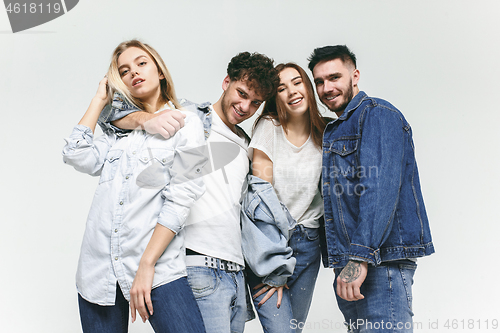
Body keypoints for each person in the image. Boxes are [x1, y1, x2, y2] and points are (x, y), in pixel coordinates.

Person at [98, 52, 280, 333]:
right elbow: (112, 113)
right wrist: (145, 120)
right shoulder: (189, 117)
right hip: (198, 268)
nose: (245, 106)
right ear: (226, 81)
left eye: (255, 102)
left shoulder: (246, 143)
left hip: (235, 273)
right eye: (241, 93)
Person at [62, 39, 207, 333]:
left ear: (160, 71)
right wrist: (99, 100)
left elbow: (182, 199)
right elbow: (75, 153)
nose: (133, 73)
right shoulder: (117, 135)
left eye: (141, 63)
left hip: (156, 269)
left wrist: (146, 265)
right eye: (124, 70)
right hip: (97, 273)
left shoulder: (189, 124)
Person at [307, 45, 434, 332]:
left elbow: (379, 191)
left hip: (379, 263)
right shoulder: (337, 129)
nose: (327, 88)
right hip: (354, 263)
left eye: (335, 77)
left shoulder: (377, 114)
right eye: (320, 81)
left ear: (355, 76)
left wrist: (358, 259)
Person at [241, 63, 328, 333]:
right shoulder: (269, 127)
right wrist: (276, 266)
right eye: (281, 87)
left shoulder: (326, 134)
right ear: (275, 97)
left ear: (308, 87)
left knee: (292, 329)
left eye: (297, 82)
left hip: (309, 246)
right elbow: (261, 197)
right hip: (269, 242)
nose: (291, 91)